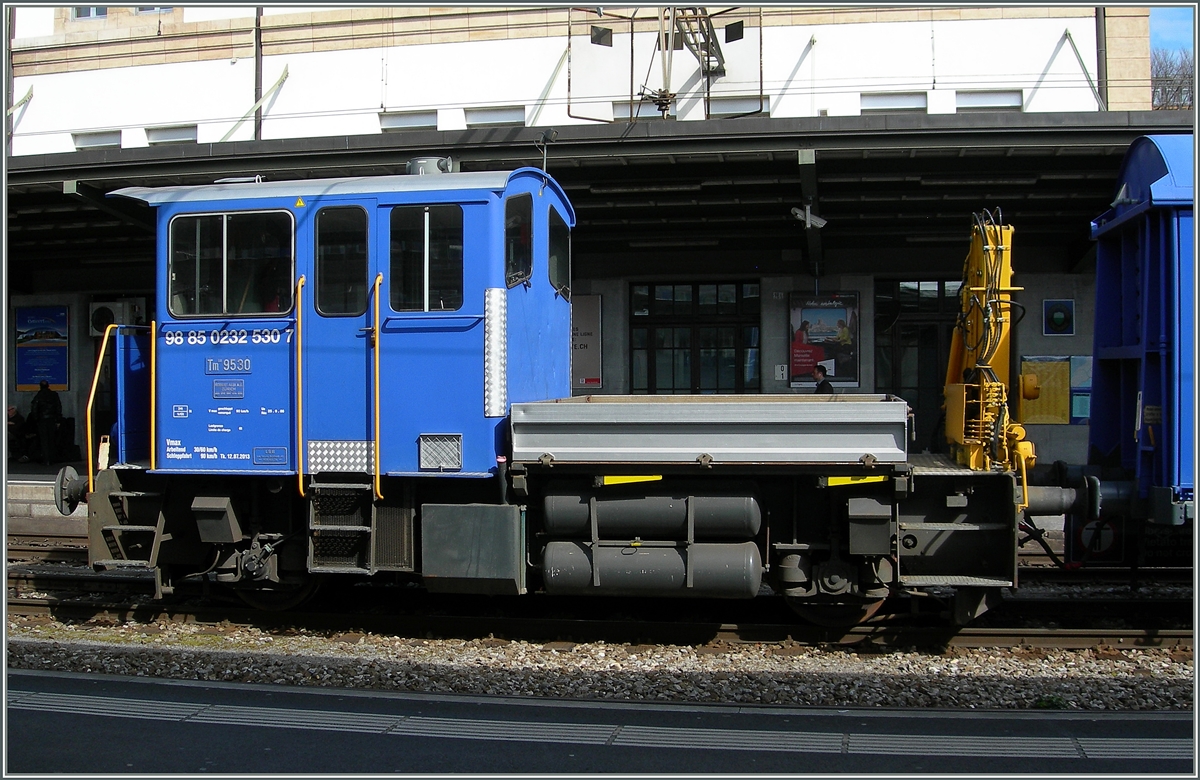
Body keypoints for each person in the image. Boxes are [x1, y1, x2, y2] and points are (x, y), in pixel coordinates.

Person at [28, 380, 62, 465]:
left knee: (44, 440)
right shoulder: (54, 395)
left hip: (42, 420)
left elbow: (34, 409)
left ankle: (46, 459)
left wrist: (36, 419)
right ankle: (52, 458)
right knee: (51, 439)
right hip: (52, 420)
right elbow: (58, 408)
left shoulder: (38, 396)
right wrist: (58, 420)